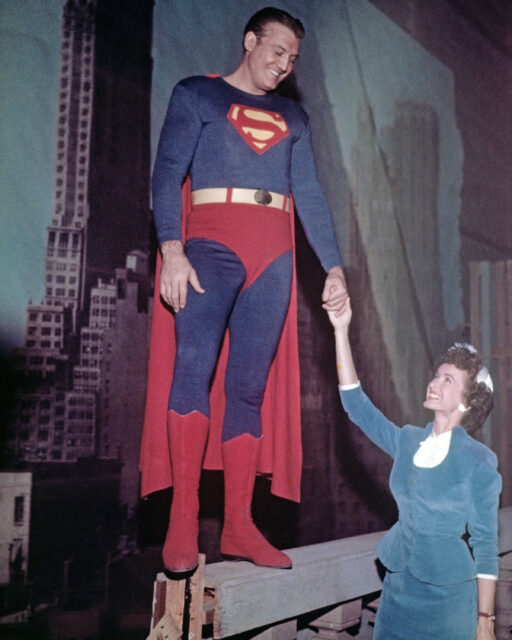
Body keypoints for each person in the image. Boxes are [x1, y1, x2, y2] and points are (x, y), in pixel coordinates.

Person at [140, 7, 349, 575]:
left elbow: (310, 193)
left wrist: (332, 267)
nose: (284, 65)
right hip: (210, 246)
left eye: (293, 59)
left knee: (249, 390)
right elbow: (165, 174)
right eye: (276, 51)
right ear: (250, 40)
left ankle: (238, 523)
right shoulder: (196, 96)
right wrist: (172, 249)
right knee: (193, 371)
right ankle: (183, 518)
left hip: (273, 259)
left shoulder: (294, 118)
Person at [325, 296, 501, 640]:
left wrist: (485, 619)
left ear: (467, 401)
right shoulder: (406, 441)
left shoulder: (479, 461)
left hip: (449, 597)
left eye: (447, 379)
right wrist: (340, 331)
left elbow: (485, 544)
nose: (434, 383)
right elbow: (355, 405)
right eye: (436, 375)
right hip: (398, 589)